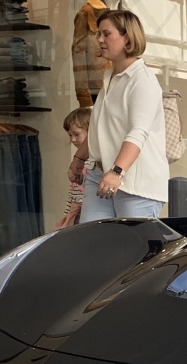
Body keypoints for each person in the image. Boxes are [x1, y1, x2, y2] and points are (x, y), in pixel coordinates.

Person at [69, 10, 167, 222]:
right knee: (95, 245)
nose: (100, 40)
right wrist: (79, 158)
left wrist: (117, 172)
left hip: (135, 183)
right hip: (100, 175)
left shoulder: (142, 81)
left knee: (133, 251)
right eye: (99, 34)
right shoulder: (109, 77)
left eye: (106, 34)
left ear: (127, 38)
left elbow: (138, 131)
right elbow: (99, 126)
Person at [56, 107, 92, 229]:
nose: (73, 139)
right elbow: (72, 195)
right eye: (70, 135)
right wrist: (67, 216)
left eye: (76, 134)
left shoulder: (95, 163)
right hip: (76, 216)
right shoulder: (77, 163)